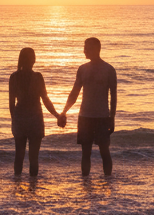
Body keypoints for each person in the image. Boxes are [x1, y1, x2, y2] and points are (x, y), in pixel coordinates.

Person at [58, 37, 117, 176]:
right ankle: (85, 181)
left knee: (104, 151)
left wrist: (112, 117)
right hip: (85, 116)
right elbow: (74, 93)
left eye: (86, 48)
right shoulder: (82, 69)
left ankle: (108, 181)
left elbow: (113, 96)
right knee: (86, 152)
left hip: (102, 116)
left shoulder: (109, 69)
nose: (84, 51)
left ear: (96, 49)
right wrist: (64, 111)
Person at [9, 47, 60, 177]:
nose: (34, 59)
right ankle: (32, 185)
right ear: (33, 60)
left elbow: (11, 103)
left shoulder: (14, 77)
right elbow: (45, 99)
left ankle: (17, 183)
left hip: (20, 118)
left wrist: (14, 120)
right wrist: (57, 115)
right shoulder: (37, 77)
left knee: (19, 155)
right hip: (34, 118)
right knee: (33, 156)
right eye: (33, 57)